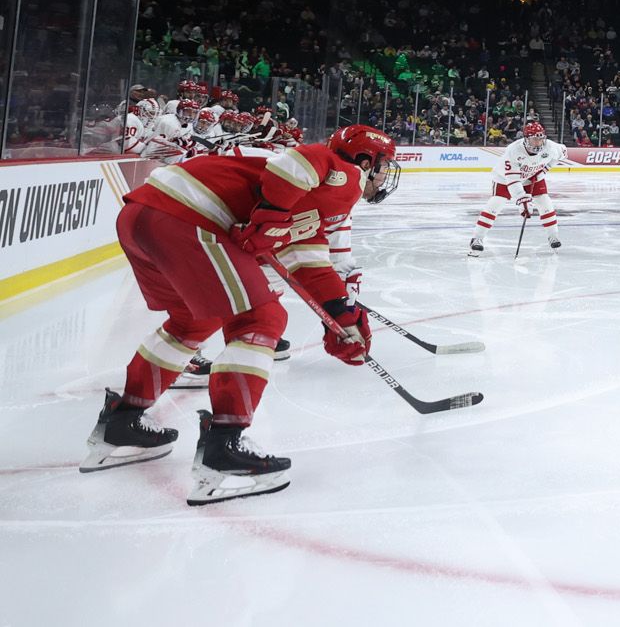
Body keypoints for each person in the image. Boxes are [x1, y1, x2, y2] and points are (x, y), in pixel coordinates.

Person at [81, 125, 398, 504]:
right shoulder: (342, 175)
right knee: (261, 320)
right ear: (365, 160)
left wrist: (341, 317)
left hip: (143, 216)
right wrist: (270, 214)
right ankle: (223, 450)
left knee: (192, 322)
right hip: (188, 217)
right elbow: (299, 161)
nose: (383, 176)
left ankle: (122, 423)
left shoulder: (319, 202)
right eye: (382, 166)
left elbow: (309, 263)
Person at [471, 119, 563, 254]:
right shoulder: (514, 151)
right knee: (496, 204)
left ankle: (553, 236)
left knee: (544, 202)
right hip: (504, 178)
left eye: (540, 139)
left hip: (533, 176)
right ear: (525, 139)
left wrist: (544, 170)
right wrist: (522, 200)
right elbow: (513, 181)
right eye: (533, 139)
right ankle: (477, 238)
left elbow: (561, 154)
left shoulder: (551, 147)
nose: (538, 143)